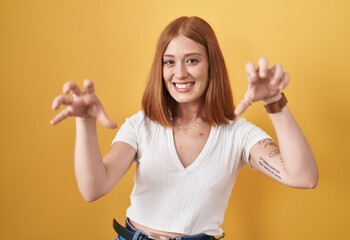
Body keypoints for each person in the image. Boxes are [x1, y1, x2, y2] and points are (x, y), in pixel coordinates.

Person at [50, 16, 318, 240]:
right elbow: (93, 188)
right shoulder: (141, 125)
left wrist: (274, 101)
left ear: (212, 65)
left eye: (192, 60)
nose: (179, 73)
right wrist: (85, 122)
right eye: (169, 61)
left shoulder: (238, 134)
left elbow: (303, 177)